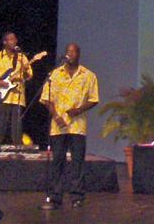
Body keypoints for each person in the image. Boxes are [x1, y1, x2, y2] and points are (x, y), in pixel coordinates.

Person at [39, 43, 99, 209]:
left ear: (79, 54)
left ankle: (77, 196)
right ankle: (55, 196)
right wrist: (56, 116)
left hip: (77, 126)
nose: (70, 54)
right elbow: (46, 98)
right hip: (58, 126)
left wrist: (79, 110)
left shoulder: (88, 75)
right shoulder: (55, 75)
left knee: (77, 162)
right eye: (68, 52)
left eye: (73, 52)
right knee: (57, 161)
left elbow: (94, 99)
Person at [0, 31, 33, 147]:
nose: (14, 41)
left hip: (17, 95)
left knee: (16, 124)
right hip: (2, 95)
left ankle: (17, 146)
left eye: (15, 39)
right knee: (0, 123)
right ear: (5, 42)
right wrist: (0, 82)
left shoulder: (22, 57)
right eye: (11, 39)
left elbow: (29, 76)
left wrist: (25, 70)